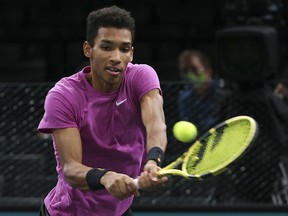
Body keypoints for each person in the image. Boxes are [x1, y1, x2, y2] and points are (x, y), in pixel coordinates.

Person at [37, 6, 168, 216]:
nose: (116, 57)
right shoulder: (64, 95)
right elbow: (71, 169)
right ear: (88, 49)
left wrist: (153, 161)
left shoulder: (141, 77)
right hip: (68, 213)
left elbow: (156, 124)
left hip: (119, 211)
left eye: (124, 49)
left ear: (131, 53)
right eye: (107, 47)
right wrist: (106, 177)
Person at [177, 50, 223, 133]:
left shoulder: (223, 92)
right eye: (185, 71)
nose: (190, 75)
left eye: (194, 69)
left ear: (208, 70)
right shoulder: (184, 98)